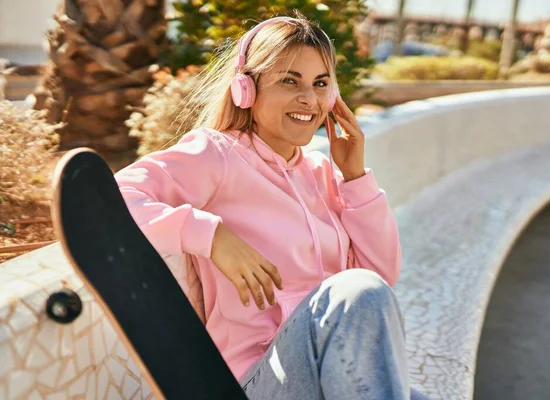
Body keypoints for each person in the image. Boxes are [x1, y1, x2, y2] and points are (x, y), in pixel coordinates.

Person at [115, 14, 427, 400]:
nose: (309, 100)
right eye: (289, 81)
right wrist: (211, 236)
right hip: (256, 382)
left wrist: (356, 178)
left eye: (320, 84)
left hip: (324, 375)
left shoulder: (322, 171)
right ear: (246, 89)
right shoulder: (217, 154)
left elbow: (380, 277)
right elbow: (117, 196)